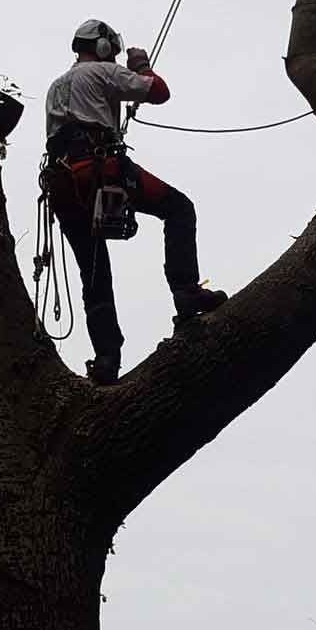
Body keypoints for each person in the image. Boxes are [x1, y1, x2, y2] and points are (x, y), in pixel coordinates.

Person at [44, 19, 226, 384]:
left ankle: (107, 359)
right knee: (178, 208)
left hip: (63, 185)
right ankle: (186, 291)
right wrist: (140, 65)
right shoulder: (103, 71)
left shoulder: (56, 86)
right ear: (103, 47)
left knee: (94, 274)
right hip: (100, 170)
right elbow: (159, 91)